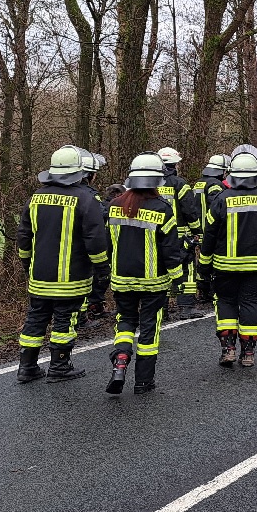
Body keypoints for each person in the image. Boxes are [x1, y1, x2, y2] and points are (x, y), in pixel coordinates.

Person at [15, 145, 109, 383]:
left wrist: (27, 265)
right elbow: (95, 241)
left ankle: (26, 367)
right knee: (65, 320)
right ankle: (59, 366)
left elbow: (24, 237)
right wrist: (102, 270)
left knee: (35, 317)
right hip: (71, 277)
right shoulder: (85, 200)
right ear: (81, 173)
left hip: (39, 275)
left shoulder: (35, 198)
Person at [103, 154, 185, 395]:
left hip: (121, 279)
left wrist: (106, 271)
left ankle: (120, 360)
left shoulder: (115, 206)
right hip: (153, 282)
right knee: (149, 327)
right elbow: (170, 250)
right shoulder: (162, 209)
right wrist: (178, 278)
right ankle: (143, 381)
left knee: (125, 321)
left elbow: (107, 244)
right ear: (157, 181)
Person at [198, 151, 257, 368]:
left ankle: (228, 348)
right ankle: (248, 352)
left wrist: (204, 266)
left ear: (232, 175)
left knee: (226, 302)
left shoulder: (221, 199)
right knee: (251, 302)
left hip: (225, 266)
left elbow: (209, 235)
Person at [157, 146, 200, 315]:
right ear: (175, 165)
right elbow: (190, 210)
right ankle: (186, 307)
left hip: (155, 235)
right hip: (180, 236)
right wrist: (197, 231)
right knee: (187, 269)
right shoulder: (180, 184)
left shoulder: (150, 183)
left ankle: (163, 310)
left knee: (162, 270)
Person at [192, 154, 231, 302]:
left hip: (199, 229)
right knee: (213, 261)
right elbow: (217, 206)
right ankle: (212, 291)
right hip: (210, 230)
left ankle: (203, 291)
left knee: (203, 260)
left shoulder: (199, 183)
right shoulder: (215, 184)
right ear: (221, 171)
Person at [80, 149, 111, 323]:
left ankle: (87, 312)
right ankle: (82, 318)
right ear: (89, 175)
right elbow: (100, 215)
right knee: (88, 278)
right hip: (85, 247)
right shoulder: (89, 196)